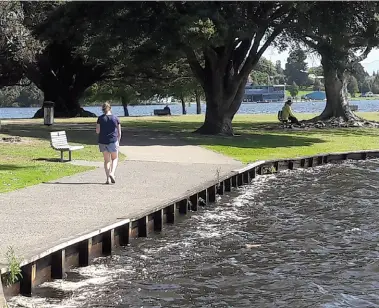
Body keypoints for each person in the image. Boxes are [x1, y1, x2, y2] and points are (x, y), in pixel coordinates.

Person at [96, 102, 121, 184]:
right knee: (115, 158)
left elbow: (97, 131)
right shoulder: (115, 118)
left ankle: (107, 179)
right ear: (110, 108)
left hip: (102, 141)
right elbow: (119, 133)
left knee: (106, 160)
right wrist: (118, 141)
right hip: (113, 141)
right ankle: (112, 173)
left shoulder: (100, 118)